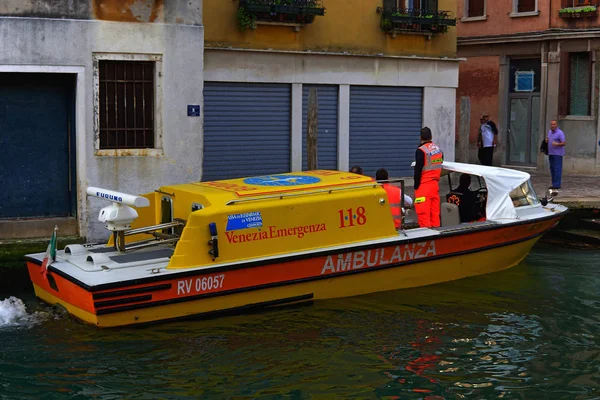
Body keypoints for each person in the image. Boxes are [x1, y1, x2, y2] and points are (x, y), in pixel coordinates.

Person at [414, 127, 443, 228]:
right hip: (435, 186)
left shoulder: (421, 150)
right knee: (434, 214)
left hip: (423, 186)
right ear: (431, 136)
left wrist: (416, 186)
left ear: (420, 137)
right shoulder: (438, 150)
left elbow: (418, 170)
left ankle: (426, 237)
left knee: (423, 215)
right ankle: (437, 237)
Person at [546, 120, 565, 189]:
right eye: (551, 124)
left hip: (557, 154)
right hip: (551, 153)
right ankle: (554, 183)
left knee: (557, 169)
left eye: (554, 124)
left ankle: (557, 184)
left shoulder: (560, 133)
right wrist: (547, 140)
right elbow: (548, 138)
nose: (552, 126)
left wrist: (557, 144)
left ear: (556, 125)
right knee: (552, 169)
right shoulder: (549, 132)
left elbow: (563, 143)